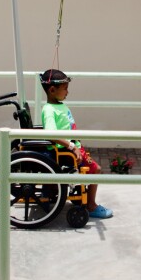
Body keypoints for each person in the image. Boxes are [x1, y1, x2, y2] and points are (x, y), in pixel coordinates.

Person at [40, 69, 113, 219]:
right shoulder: (49, 110)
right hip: (65, 152)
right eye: (65, 89)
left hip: (72, 147)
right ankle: (91, 205)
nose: (67, 92)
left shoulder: (59, 106)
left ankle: (83, 196)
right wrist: (72, 147)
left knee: (93, 169)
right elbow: (50, 134)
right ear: (52, 90)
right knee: (96, 169)